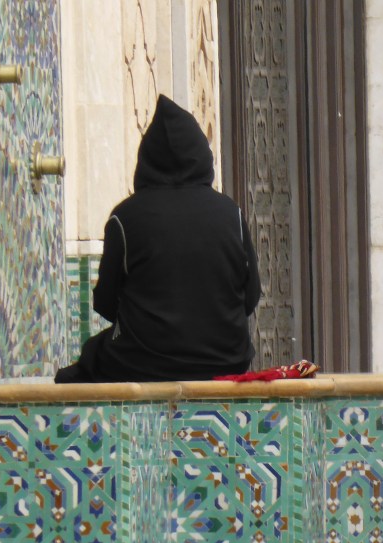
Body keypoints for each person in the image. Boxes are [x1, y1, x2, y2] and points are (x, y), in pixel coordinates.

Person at [56, 95, 261, 383]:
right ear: (202, 155)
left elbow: (104, 302)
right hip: (226, 362)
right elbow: (250, 297)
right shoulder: (232, 214)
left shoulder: (125, 217)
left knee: (83, 365)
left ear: (147, 159)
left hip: (142, 362)